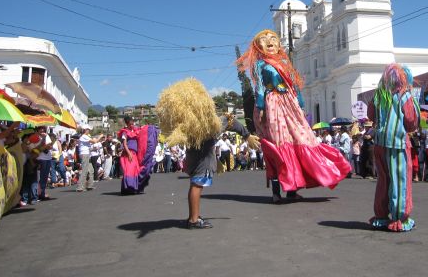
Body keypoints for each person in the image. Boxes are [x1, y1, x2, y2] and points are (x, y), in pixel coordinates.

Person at [237, 30, 350, 203]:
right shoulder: (259, 64)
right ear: (257, 46)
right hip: (273, 104)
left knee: (301, 140)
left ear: (279, 44)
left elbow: (294, 85)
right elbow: (259, 87)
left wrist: (301, 104)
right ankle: (276, 193)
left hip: (290, 103)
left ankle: (293, 190)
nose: (270, 41)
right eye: (264, 40)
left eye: (273, 38)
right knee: (278, 146)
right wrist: (260, 107)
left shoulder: (284, 62)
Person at [155, 77, 260, 230]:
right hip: (201, 162)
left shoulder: (189, 126)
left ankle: (194, 216)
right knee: (197, 186)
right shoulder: (208, 124)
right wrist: (247, 135)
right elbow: (231, 122)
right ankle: (193, 220)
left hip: (193, 161)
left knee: (195, 185)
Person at [369, 63, 419, 232]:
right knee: (400, 180)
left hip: (379, 143)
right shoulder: (404, 96)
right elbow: (411, 121)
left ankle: (381, 216)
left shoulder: (379, 95)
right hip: (397, 143)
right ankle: (399, 218)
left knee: (383, 180)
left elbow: (371, 115)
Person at [118, 116, 159, 195]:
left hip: (135, 154)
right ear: (128, 122)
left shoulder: (134, 130)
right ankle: (127, 188)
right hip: (128, 154)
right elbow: (124, 144)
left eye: (133, 121)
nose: (133, 123)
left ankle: (133, 188)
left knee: (135, 170)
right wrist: (129, 153)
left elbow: (142, 132)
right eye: (131, 122)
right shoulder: (125, 132)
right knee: (129, 170)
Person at [77, 125, 102, 192]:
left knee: (91, 170)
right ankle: (80, 187)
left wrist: (93, 149)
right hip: (84, 154)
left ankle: (90, 186)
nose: (89, 131)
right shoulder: (84, 136)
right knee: (85, 170)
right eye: (88, 129)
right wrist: (100, 136)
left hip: (88, 154)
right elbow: (94, 141)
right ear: (85, 130)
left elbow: (89, 146)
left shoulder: (86, 137)